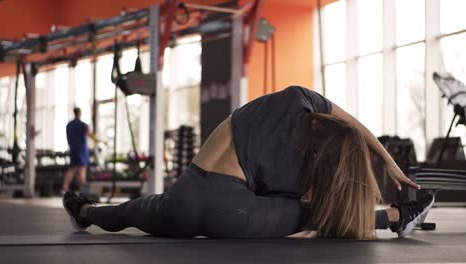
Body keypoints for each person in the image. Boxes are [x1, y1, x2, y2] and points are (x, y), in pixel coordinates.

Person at [63, 86, 434, 239]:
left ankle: (86, 211)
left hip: (184, 199)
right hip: (237, 215)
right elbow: (324, 204)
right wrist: (388, 164)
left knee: (131, 211)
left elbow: (350, 124)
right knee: (317, 212)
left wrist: (385, 160)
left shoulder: (297, 98)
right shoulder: (299, 169)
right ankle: (399, 217)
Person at [62, 108, 91, 193]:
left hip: (73, 149)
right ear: (80, 113)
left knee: (72, 168)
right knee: (82, 169)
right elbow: (89, 134)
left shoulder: (69, 125)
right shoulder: (83, 125)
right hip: (81, 150)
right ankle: (83, 189)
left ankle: (65, 187)